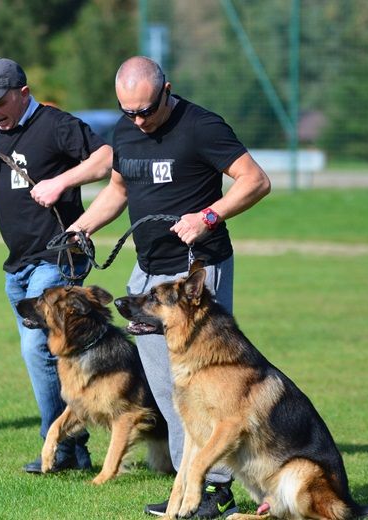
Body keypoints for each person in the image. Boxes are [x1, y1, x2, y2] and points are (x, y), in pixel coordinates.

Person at [68, 56, 271, 517]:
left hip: (191, 279)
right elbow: (119, 189)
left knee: (203, 388)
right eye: (128, 111)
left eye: (146, 110)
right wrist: (83, 226)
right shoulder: (124, 131)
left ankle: (213, 490)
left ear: (167, 90)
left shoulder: (201, 126)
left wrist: (208, 216)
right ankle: (188, 489)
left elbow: (256, 181)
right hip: (146, 274)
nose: (138, 120)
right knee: (166, 389)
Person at [0, 58, 112, 473]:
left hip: (58, 256)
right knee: (46, 354)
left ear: (23, 93)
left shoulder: (55, 124)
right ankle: (74, 445)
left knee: (37, 348)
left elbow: (105, 159)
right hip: (19, 266)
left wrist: (61, 182)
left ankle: (60, 446)